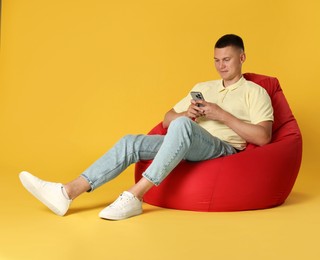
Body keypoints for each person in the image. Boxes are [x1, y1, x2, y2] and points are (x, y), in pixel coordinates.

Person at [19, 34, 274, 221]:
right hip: (189, 141)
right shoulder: (204, 87)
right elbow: (166, 120)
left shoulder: (256, 92)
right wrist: (188, 113)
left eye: (227, 59)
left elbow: (263, 137)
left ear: (242, 58)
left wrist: (221, 114)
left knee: (183, 126)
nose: (221, 66)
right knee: (132, 141)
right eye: (217, 60)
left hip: (222, 149)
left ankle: (135, 196)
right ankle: (67, 192)